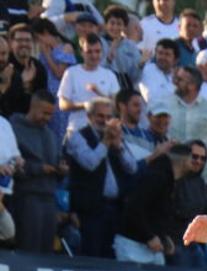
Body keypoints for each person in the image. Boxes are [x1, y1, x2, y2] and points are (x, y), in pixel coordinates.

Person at [64, 96, 136, 258]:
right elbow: (90, 162)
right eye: (100, 116)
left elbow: (132, 167)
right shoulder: (78, 136)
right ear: (90, 117)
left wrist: (119, 147)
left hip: (115, 209)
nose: (105, 121)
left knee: (111, 256)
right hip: (90, 210)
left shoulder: (116, 136)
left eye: (109, 117)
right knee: (92, 255)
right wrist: (105, 142)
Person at [114, 142, 191, 264]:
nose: (197, 162)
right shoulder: (156, 176)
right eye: (193, 158)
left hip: (152, 248)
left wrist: (163, 237)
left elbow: (156, 212)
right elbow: (133, 207)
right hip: (132, 246)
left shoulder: (168, 180)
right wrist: (149, 236)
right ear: (185, 161)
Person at [11, 90, 63, 253]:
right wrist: (38, 169)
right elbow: (10, 164)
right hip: (27, 197)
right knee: (29, 248)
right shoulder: (13, 129)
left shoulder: (50, 135)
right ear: (33, 107)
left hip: (49, 198)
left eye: (50, 114)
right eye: (44, 113)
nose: (47, 118)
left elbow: (58, 159)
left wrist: (62, 168)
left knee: (46, 250)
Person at [165, 65, 207, 181]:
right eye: (176, 78)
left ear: (192, 86)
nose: (175, 83)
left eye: (180, 80)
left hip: (202, 174)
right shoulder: (166, 104)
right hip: (172, 172)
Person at [57, 33, 119, 132]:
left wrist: (98, 93)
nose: (94, 55)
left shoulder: (110, 75)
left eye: (97, 51)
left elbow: (116, 106)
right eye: (89, 52)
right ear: (82, 52)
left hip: (104, 131)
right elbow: (62, 104)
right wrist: (84, 105)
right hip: (77, 129)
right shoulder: (71, 73)